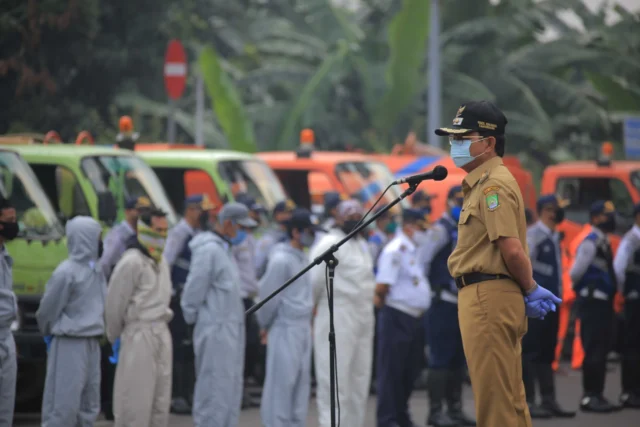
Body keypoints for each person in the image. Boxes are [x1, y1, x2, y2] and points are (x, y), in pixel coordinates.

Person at [435, 100, 561, 427]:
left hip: (486, 297)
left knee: (496, 405)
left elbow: (512, 249)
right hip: (490, 295)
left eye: (464, 138)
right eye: (453, 138)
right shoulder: (485, 183)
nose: (455, 145)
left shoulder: (492, 185)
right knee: (509, 399)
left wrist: (531, 287)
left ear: (489, 143)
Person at [181, 202, 257, 427]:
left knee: (229, 391)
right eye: (241, 227)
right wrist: (194, 321)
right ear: (227, 224)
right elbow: (193, 293)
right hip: (215, 330)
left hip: (230, 330)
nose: (244, 233)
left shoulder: (225, 250)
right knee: (213, 392)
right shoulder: (209, 250)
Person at [310, 200, 376, 427]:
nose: (354, 218)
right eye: (349, 214)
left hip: (364, 316)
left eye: (358, 214)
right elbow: (313, 284)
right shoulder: (329, 242)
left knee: (359, 381)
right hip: (338, 314)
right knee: (336, 382)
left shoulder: (361, 244)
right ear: (337, 217)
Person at [105, 209, 173, 427]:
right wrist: (114, 337)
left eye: (165, 230)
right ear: (143, 230)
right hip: (139, 335)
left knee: (160, 403)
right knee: (135, 403)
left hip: (162, 331)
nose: (162, 235)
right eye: (157, 230)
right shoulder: (131, 261)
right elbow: (114, 304)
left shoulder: (162, 262)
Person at [36, 216, 106, 426]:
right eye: (97, 237)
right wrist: (48, 332)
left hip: (92, 342)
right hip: (69, 343)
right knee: (63, 405)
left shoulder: (96, 270)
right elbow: (47, 310)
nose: (100, 242)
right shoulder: (65, 273)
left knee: (89, 404)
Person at [257, 208, 319, 427]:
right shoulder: (281, 260)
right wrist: (264, 324)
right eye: (309, 231)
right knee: (281, 386)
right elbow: (268, 296)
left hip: (301, 328)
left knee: (300, 387)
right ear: (295, 232)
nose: (312, 236)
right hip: (284, 326)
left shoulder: (303, 257)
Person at [421, 185, 476, 426]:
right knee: (440, 358)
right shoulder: (439, 230)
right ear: (448, 203)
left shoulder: (464, 227)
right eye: (458, 200)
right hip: (442, 302)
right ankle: (435, 412)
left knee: (458, 358)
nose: (462, 204)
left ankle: (454, 409)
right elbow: (421, 262)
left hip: (461, 302)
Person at [375, 208, 432, 427]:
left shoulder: (411, 249)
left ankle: (401, 415)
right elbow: (382, 287)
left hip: (413, 319)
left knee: (409, 372)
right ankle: (388, 420)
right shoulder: (395, 250)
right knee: (391, 372)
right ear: (409, 227)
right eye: (420, 228)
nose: (422, 233)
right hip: (397, 316)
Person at [98, 195, 152, 421]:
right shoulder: (118, 236)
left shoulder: (141, 235)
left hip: (133, 303)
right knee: (112, 356)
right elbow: (104, 266)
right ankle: (109, 405)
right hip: (116, 298)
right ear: (128, 211)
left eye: (144, 211)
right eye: (137, 210)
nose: (140, 215)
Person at [522, 195, 576, 418]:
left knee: (547, 352)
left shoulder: (554, 236)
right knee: (531, 352)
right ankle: (529, 401)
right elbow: (524, 268)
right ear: (546, 211)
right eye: (555, 210)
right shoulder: (533, 235)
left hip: (551, 302)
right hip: (535, 304)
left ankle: (548, 399)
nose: (558, 214)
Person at [163, 194, 213, 414]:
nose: (206, 215)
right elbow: (167, 262)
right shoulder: (179, 233)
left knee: (190, 347)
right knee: (180, 348)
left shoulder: (199, 233)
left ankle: (189, 393)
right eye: (202, 210)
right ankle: (178, 395)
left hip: (192, 298)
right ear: (191, 210)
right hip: (178, 298)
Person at [570, 200, 619, 412]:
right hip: (592, 302)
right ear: (595, 217)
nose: (609, 219)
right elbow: (575, 272)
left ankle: (598, 394)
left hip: (603, 303)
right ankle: (589, 396)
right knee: (593, 350)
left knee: (601, 349)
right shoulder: (590, 242)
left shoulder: (603, 241)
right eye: (605, 215)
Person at [234, 193, 264, 408]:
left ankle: (243, 383)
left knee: (251, 345)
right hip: (238, 299)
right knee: (240, 345)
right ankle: (238, 389)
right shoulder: (234, 240)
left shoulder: (250, 237)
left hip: (251, 298)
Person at [613, 202, 640, 409]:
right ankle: (628, 392)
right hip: (634, 300)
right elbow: (619, 268)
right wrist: (626, 292)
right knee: (632, 347)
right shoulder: (631, 240)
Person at [0, 197, 19, 427]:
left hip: (6, 338)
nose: (15, 225)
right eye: (10, 221)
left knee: (5, 410)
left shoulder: (5, 257)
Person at [255, 199, 296, 279]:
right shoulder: (270, 238)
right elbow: (258, 267)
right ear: (277, 215)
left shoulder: (292, 235)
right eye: (286, 213)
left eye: (291, 213)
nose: (290, 216)